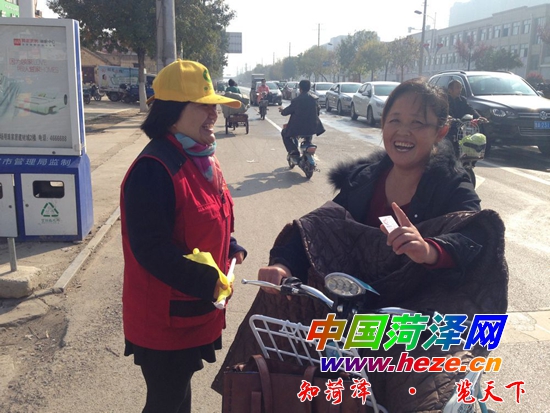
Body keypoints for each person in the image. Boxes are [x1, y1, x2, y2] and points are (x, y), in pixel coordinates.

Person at [212, 79, 508, 412]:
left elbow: (475, 234)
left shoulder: (451, 185)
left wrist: (429, 250)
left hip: (416, 318)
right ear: (383, 124)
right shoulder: (365, 179)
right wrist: (283, 264)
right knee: (285, 323)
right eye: (395, 119)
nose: (403, 131)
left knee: (422, 395)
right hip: (356, 312)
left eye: (418, 123)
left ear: (441, 131)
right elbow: (321, 228)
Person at [120, 59, 247, 413]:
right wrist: (207, 282)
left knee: (178, 398)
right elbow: (151, 249)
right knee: (166, 401)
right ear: (173, 112)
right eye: (204, 106)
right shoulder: (153, 169)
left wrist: (229, 246)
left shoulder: (202, 158)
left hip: (194, 312)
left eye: (215, 106)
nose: (214, 114)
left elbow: (207, 217)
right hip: (165, 322)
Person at [279, 79, 324, 162]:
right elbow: (317, 112)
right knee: (308, 132)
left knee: (284, 133)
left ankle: (293, 151)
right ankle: (308, 142)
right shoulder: (314, 99)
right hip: (313, 127)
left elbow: (287, 111)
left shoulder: (296, 100)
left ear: (300, 88)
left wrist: (282, 111)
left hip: (298, 128)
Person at [446, 79, 487, 155]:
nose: (459, 90)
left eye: (460, 87)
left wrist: (479, 117)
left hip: (460, 127)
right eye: (457, 87)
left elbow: (470, 109)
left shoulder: (462, 100)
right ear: (450, 90)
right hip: (448, 127)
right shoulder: (444, 101)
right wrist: (449, 119)